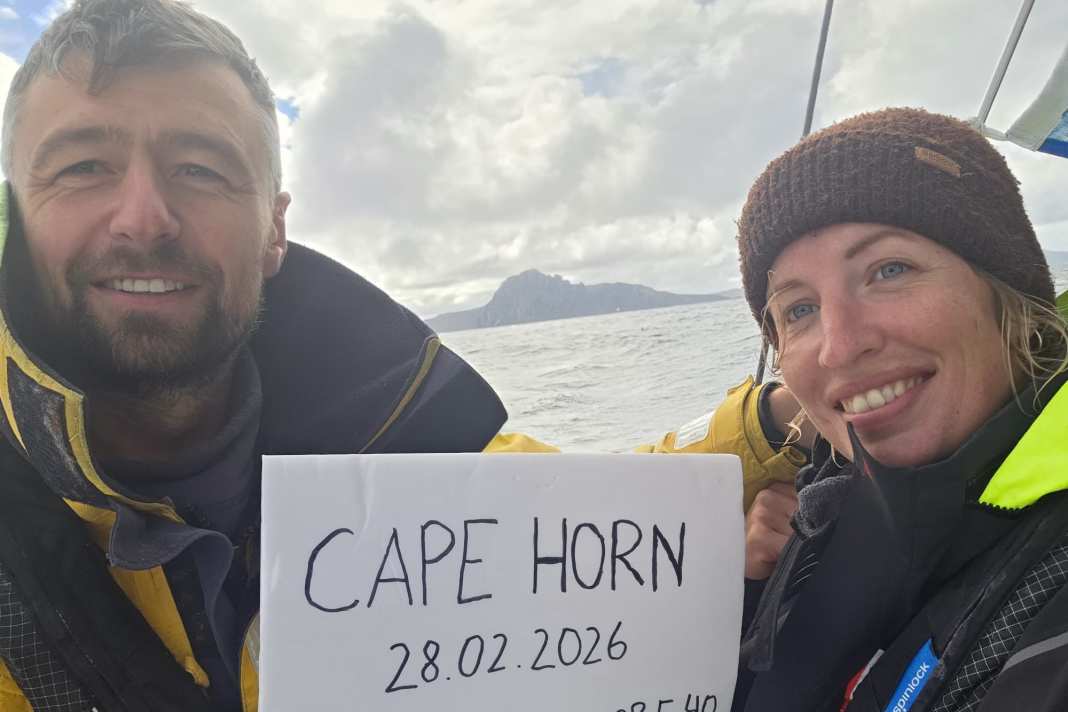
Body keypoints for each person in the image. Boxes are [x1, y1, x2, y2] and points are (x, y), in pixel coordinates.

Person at [0, 2, 792, 710]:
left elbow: (596, 519)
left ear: (275, 229)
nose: (144, 216)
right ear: (15, 211)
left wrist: (771, 422)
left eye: (201, 169)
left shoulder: (409, 448)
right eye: (82, 167)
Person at [731, 107, 1068, 712]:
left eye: (889, 270)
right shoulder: (824, 510)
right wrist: (749, 600)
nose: (840, 345)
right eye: (799, 310)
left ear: (1006, 294)